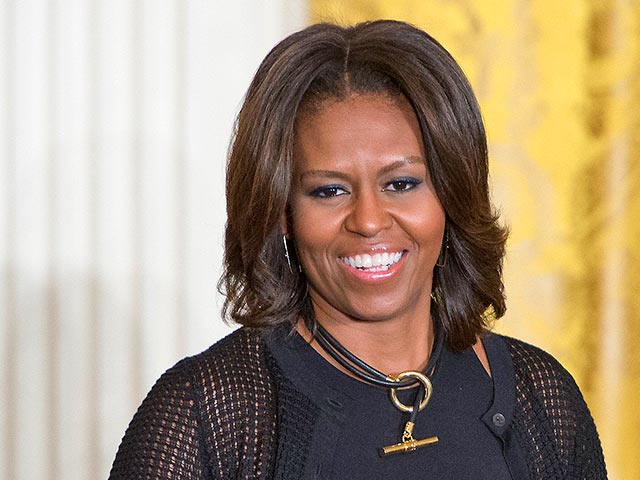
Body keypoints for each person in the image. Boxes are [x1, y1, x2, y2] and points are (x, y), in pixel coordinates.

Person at [109, 20, 606, 479]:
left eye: (402, 184)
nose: (368, 221)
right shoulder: (205, 415)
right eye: (329, 191)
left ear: (452, 194)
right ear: (281, 212)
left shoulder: (542, 399)